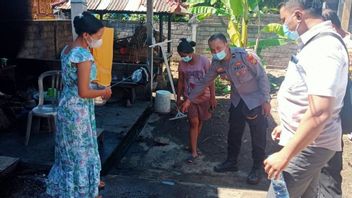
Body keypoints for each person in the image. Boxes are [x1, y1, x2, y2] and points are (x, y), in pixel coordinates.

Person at [264, 1, 349, 197]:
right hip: (308, 141)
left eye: (285, 20)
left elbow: (319, 112)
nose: (285, 26)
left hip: (309, 146)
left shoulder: (324, 48)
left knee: (278, 194)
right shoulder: (316, 43)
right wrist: (288, 124)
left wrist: (285, 155)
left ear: (298, 16)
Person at [181, 33, 271, 184]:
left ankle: (257, 168)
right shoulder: (217, 63)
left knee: (258, 136)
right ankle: (231, 162)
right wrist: (189, 99)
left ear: (226, 45)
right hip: (237, 100)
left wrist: (266, 100)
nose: (216, 52)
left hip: (256, 100)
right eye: (212, 50)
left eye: (219, 48)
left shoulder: (245, 56)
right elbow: (204, 81)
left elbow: (261, 76)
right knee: (234, 133)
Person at [46, 11, 112, 198]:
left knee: (69, 151)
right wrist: (104, 91)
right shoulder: (83, 56)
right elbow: (84, 92)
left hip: (67, 106)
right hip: (78, 111)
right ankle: (83, 192)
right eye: (98, 37)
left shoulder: (68, 49)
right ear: (86, 35)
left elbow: (76, 83)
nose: (100, 40)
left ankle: (81, 186)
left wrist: (95, 85)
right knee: (81, 153)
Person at [176, 38, 216, 163]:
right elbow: (181, 81)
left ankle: (193, 145)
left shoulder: (204, 61)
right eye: (181, 56)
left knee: (200, 122)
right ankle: (193, 152)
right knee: (193, 122)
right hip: (189, 98)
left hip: (204, 97)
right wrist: (178, 97)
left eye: (185, 56)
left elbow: (210, 80)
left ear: (190, 52)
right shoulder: (182, 64)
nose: (184, 58)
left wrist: (213, 97)